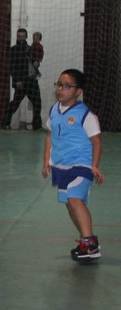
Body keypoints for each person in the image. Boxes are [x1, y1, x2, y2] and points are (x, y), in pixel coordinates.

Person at [41, 69, 104, 262]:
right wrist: (46, 160)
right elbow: (50, 135)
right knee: (71, 204)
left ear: (78, 91)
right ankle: (86, 241)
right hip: (61, 166)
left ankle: (90, 244)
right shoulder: (54, 110)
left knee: (74, 198)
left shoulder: (85, 115)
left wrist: (94, 165)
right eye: (59, 84)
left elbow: (96, 142)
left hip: (81, 164)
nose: (61, 89)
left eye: (67, 86)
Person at [2, 28, 41, 130]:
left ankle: (37, 126)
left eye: (23, 36)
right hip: (21, 82)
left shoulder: (31, 49)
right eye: (19, 36)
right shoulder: (13, 50)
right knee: (15, 103)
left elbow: (35, 62)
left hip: (31, 80)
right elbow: (11, 67)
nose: (21, 38)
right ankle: (5, 123)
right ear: (17, 37)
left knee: (37, 103)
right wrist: (16, 81)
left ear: (26, 37)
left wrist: (37, 63)